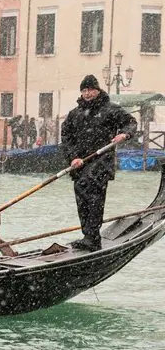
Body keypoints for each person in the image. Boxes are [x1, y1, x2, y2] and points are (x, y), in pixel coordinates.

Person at [61, 74, 137, 251]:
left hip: (102, 160)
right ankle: (88, 235)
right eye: (84, 90)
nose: (87, 93)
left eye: (90, 90)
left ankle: (93, 238)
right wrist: (73, 157)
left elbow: (131, 122)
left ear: (97, 90)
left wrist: (125, 134)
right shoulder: (75, 114)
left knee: (93, 195)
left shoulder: (110, 110)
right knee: (81, 195)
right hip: (80, 162)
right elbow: (66, 137)